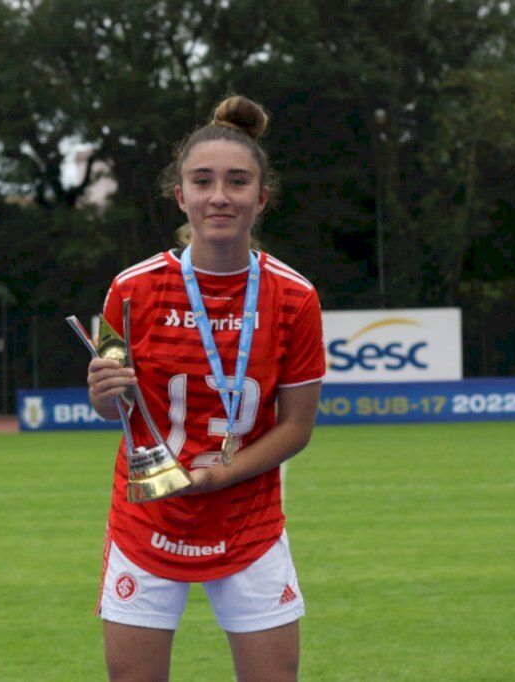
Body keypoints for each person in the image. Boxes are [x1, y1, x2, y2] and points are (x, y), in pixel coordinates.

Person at [85, 94, 325, 682]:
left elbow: (296, 425)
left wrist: (226, 472)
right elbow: (111, 406)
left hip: (250, 524)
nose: (220, 195)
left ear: (261, 197)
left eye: (238, 182)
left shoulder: (295, 297)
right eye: (204, 181)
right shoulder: (130, 290)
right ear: (181, 195)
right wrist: (101, 390)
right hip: (147, 520)